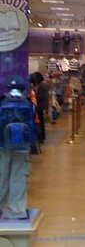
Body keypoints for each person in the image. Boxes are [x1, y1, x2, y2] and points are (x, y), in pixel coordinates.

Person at [0, 78, 37, 220]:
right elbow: (33, 124)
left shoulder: (2, 100)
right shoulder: (28, 102)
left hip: (3, 145)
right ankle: (17, 210)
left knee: (2, 175)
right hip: (22, 146)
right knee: (19, 177)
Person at [29, 72, 50, 142]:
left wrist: (33, 96)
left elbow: (41, 97)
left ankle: (40, 137)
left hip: (40, 106)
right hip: (42, 106)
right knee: (41, 122)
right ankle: (42, 136)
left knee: (39, 122)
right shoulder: (44, 84)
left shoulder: (42, 85)